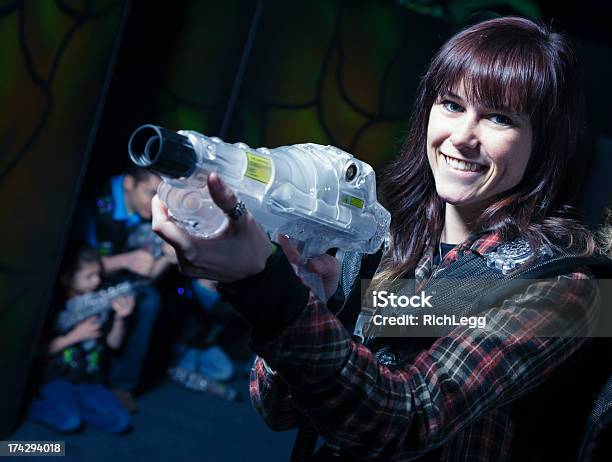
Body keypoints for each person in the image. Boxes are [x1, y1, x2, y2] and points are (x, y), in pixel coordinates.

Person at [151, 17, 611, 461]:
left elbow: (406, 422)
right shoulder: (380, 244)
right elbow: (278, 410)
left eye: (499, 118)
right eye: (451, 105)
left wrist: (265, 290)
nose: (462, 137)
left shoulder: (560, 286)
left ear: (545, 142)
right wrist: (312, 303)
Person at [73, 165, 176, 411]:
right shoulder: (93, 205)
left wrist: (168, 257)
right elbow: (75, 268)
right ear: (129, 183)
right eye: (150, 193)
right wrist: (125, 261)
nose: (155, 204)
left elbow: (146, 276)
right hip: (81, 282)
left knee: (149, 299)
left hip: (120, 280)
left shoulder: (150, 213)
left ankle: (122, 385)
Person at [29, 243, 133, 434]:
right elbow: (36, 351)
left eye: (98, 274)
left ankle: (75, 406)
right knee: (69, 421)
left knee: (120, 422)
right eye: (89, 276)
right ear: (66, 278)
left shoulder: (98, 301)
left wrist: (119, 319)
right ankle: (29, 406)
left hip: (87, 378)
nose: (96, 281)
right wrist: (74, 336)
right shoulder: (53, 306)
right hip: (56, 377)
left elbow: (114, 344)